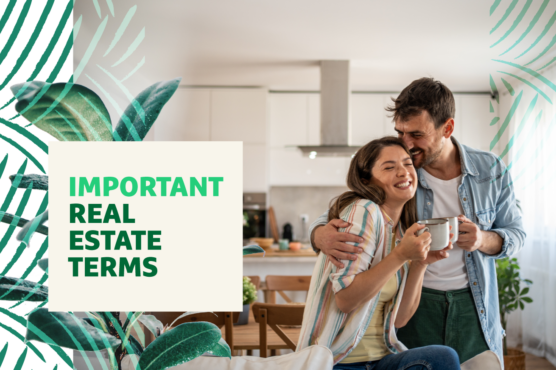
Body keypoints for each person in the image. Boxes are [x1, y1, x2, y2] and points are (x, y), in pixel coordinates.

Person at [309, 77, 525, 365]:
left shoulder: (490, 169)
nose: (407, 145)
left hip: (473, 303)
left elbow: (517, 234)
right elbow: (334, 217)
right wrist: (320, 236)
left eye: (417, 134)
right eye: (400, 132)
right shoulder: (402, 174)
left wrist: (482, 239)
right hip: (413, 304)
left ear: (447, 128)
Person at [297, 136, 460, 369]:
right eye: (389, 167)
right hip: (339, 361)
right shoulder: (364, 211)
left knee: (443, 357)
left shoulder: (401, 229)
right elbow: (345, 299)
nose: (404, 172)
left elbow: (401, 318)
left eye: (407, 164)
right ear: (366, 180)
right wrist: (400, 256)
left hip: (382, 359)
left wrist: (420, 263)